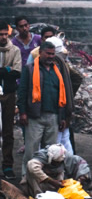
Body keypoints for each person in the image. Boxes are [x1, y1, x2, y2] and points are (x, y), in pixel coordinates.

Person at [17, 41, 74, 177]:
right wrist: (23, 112)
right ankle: (28, 178)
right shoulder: (30, 69)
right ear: (40, 53)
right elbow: (23, 91)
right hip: (35, 116)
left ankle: (48, 181)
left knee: (51, 152)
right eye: (48, 53)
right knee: (31, 150)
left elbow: (62, 94)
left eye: (53, 54)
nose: (50, 56)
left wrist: (62, 118)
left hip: (53, 117)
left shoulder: (57, 70)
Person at [24, 143, 91, 199]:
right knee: (33, 173)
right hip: (41, 183)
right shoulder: (41, 156)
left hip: (55, 182)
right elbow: (32, 166)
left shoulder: (64, 156)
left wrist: (82, 175)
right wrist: (50, 181)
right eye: (55, 162)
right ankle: (39, 197)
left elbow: (80, 163)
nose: (57, 164)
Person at [0, 23, 22, 179]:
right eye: (0, 34)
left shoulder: (14, 50)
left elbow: (16, 72)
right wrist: (5, 70)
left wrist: (7, 72)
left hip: (8, 93)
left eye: (5, 34)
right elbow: (9, 71)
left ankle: (7, 165)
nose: (3, 37)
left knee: (8, 131)